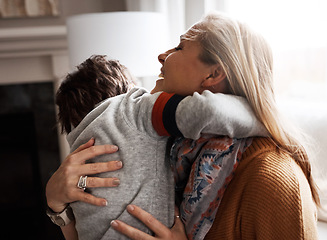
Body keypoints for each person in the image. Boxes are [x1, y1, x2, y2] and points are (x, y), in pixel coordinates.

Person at [46, 12, 320, 240]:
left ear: (213, 74)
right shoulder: (175, 152)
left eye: (179, 47)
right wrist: (57, 205)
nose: (161, 56)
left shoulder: (273, 178)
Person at [51, 54, 267, 239]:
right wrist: (268, 120)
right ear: (128, 92)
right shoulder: (132, 108)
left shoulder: (78, 152)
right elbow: (208, 112)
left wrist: (55, 205)